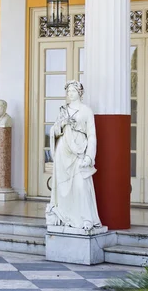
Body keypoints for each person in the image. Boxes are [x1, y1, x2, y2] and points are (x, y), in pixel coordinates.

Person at [46, 80, 102, 231]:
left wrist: (89, 157)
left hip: (79, 151)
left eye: (73, 91)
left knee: (81, 185)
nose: (70, 94)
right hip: (63, 151)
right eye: (68, 91)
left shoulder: (86, 111)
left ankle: (86, 218)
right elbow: (54, 131)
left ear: (80, 93)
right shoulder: (63, 111)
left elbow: (92, 136)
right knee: (63, 186)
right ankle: (64, 216)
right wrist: (62, 125)